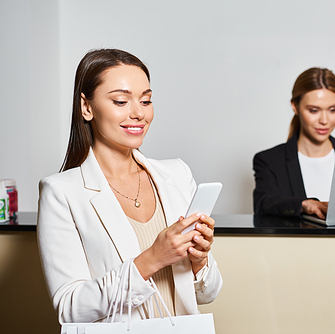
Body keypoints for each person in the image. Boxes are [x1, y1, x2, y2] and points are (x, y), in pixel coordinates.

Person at [37, 48, 222, 324]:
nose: (138, 113)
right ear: (86, 107)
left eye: (146, 101)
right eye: (121, 101)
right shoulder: (61, 192)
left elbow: (208, 293)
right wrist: (152, 259)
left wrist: (199, 260)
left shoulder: (177, 174)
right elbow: (70, 307)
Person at [253, 67, 335, 218]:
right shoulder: (270, 160)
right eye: (313, 110)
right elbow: (263, 204)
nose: (324, 120)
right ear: (295, 107)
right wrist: (304, 204)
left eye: (332, 110)